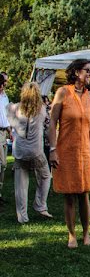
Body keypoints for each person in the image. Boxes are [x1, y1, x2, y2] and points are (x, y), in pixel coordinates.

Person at [48, 59, 90, 249]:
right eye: (87, 70)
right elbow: (52, 122)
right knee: (69, 194)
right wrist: (52, 150)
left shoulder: (88, 95)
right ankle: (72, 235)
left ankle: (86, 234)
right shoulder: (63, 92)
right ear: (77, 72)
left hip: (84, 151)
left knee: (84, 193)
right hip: (65, 150)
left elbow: (89, 127)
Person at [6, 82, 52, 223]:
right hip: (35, 151)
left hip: (19, 150)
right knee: (45, 176)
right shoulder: (41, 110)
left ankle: (22, 216)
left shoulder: (14, 108)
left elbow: (10, 118)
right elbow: (48, 126)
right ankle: (40, 204)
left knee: (20, 184)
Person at [0, 72, 11, 204]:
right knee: (1, 163)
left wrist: (10, 130)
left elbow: (5, 115)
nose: (4, 85)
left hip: (4, 132)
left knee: (3, 165)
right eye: (3, 83)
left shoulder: (5, 97)